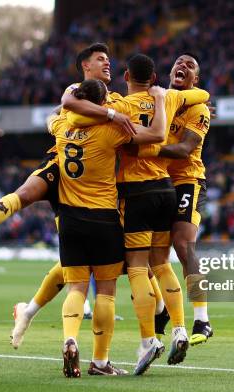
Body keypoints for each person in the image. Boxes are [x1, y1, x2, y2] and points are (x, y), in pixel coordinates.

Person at [0, 43, 134, 349]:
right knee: (24, 196)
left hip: (78, 177)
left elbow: (60, 113)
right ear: (85, 66)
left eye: (108, 59)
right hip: (68, 173)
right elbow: (67, 105)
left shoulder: (85, 103)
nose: (107, 64)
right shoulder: (85, 93)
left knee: (69, 265)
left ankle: (28, 312)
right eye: (100, 59)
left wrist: (73, 116)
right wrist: (113, 114)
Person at [66, 53, 210, 373]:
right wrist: (161, 95)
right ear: (155, 77)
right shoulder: (168, 98)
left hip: (135, 192)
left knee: (137, 268)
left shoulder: (119, 105)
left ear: (127, 74)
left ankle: (149, 339)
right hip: (165, 189)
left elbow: (77, 108)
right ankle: (180, 329)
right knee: (162, 263)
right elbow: (202, 94)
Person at [51, 79, 168, 377]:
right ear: (102, 104)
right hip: (104, 217)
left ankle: (69, 338)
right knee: (106, 292)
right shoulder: (112, 130)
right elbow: (156, 134)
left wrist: (72, 101)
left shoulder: (62, 126)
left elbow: (53, 115)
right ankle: (100, 362)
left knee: (77, 287)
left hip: (69, 218)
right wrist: (159, 100)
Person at [141, 53, 214, 345]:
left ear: (195, 80)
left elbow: (184, 149)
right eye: (179, 63)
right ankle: (161, 308)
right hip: (157, 182)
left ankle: (202, 319)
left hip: (187, 182)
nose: (182, 66)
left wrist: (148, 150)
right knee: (143, 255)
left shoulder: (199, 109)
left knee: (183, 245)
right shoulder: (161, 100)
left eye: (190, 65)